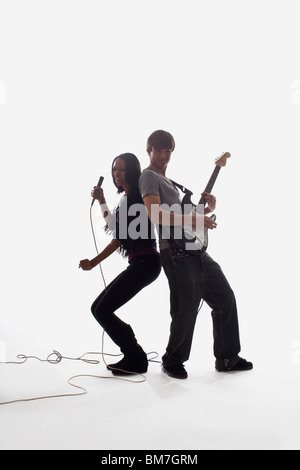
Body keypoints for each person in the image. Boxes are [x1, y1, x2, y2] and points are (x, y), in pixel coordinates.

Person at [139, 130, 253, 379]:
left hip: (193, 247)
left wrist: (206, 209)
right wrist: (192, 216)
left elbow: (184, 218)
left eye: (167, 150)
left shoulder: (170, 183)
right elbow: (156, 214)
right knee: (186, 307)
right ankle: (172, 360)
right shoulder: (148, 177)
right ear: (148, 150)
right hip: (175, 252)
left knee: (225, 298)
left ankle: (227, 357)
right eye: (157, 150)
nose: (162, 155)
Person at [79, 153, 161, 375]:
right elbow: (114, 228)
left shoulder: (136, 198)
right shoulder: (126, 199)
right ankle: (132, 355)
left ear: (132, 171)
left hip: (146, 263)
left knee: (102, 309)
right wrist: (102, 200)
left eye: (122, 169)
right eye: (114, 169)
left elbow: (119, 239)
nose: (116, 173)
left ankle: (136, 358)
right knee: (98, 308)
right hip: (141, 264)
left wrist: (94, 261)